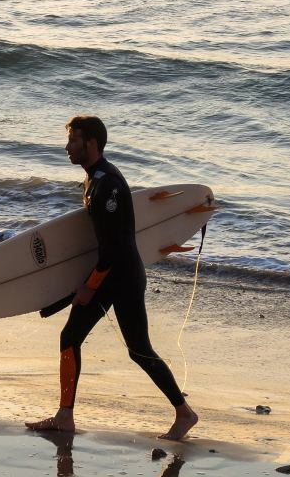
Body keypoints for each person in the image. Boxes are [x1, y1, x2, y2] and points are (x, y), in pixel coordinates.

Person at [25, 115, 199, 440]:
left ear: (91, 143)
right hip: (113, 274)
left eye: (74, 141)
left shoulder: (108, 186)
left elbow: (115, 247)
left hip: (122, 277)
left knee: (138, 349)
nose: (67, 147)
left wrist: (89, 287)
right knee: (74, 337)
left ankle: (184, 413)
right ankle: (65, 416)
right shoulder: (95, 178)